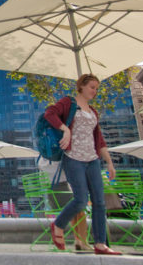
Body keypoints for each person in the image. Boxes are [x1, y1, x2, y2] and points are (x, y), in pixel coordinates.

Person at [46, 73, 121, 255]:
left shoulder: (93, 112)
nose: (95, 91)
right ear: (81, 86)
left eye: (96, 88)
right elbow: (50, 113)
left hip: (93, 160)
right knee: (80, 200)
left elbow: (99, 140)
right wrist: (65, 130)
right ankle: (58, 224)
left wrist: (109, 163)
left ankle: (100, 244)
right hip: (73, 158)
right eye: (92, 87)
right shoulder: (69, 103)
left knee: (99, 202)